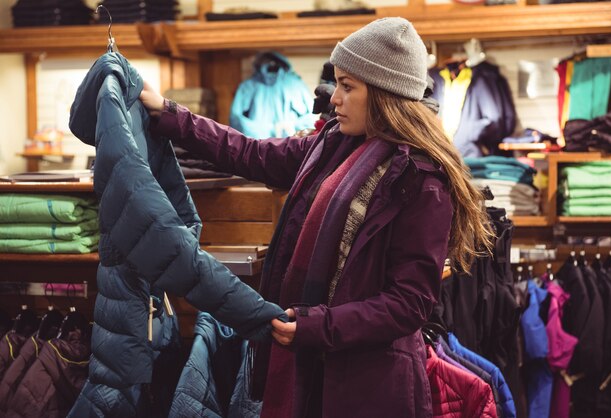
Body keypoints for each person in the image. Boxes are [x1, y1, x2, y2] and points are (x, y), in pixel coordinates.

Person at [140, 17, 493, 418]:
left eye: (348, 86)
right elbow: (249, 153)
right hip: (308, 368)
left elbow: (409, 304)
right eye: (337, 84)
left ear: (383, 94)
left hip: (366, 386)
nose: (334, 98)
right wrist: (168, 113)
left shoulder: (421, 180)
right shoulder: (330, 145)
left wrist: (317, 326)